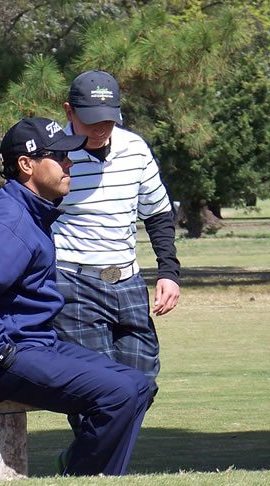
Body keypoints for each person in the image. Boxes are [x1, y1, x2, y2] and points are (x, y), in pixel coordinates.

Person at [0, 117, 153, 476]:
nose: (70, 164)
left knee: (138, 385)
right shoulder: (9, 224)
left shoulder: (30, 213)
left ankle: (95, 480)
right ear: (27, 165)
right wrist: (2, 350)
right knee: (118, 394)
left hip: (34, 345)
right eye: (61, 157)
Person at [52, 70, 180, 385]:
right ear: (69, 111)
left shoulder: (135, 149)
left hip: (127, 281)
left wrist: (168, 272)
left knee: (143, 381)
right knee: (97, 387)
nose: (100, 129)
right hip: (73, 282)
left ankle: (110, 436)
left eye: (108, 120)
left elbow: (158, 212)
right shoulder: (53, 155)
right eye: (91, 120)